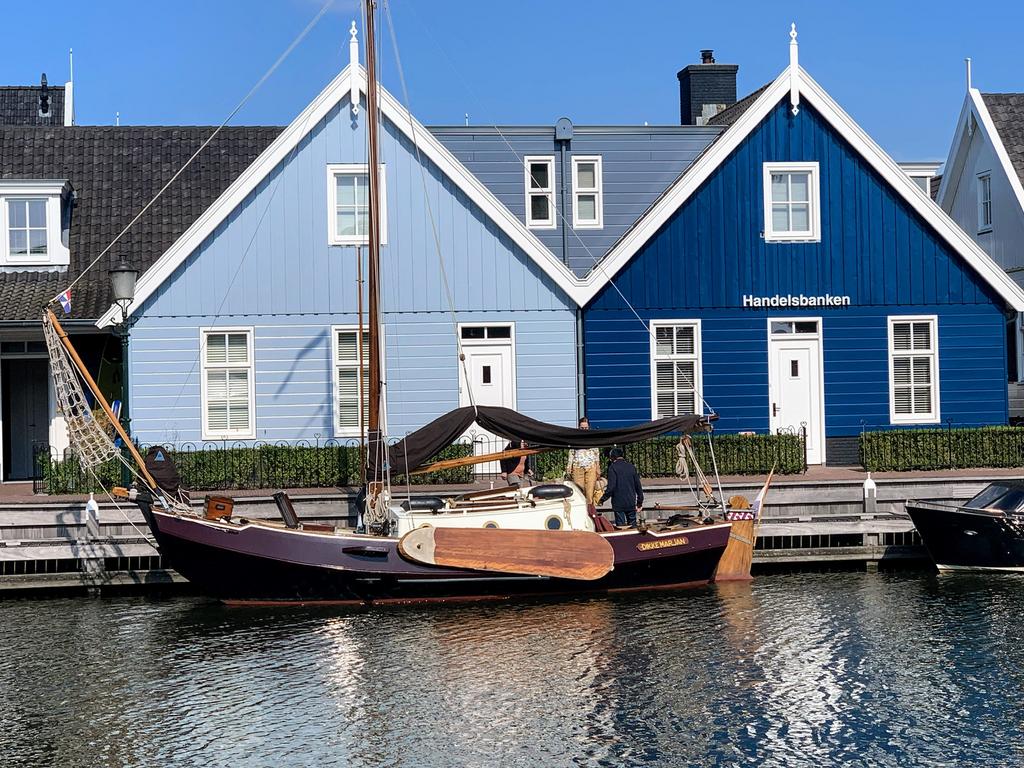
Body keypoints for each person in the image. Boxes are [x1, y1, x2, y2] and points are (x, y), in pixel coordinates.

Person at [599, 446, 643, 527]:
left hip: (618, 502)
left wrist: (602, 499)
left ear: (612, 458)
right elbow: (638, 486)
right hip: (630, 501)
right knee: (633, 526)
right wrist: (639, 502)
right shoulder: (631, 467)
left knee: (621, 527)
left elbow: (611, 487)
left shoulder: (613, 468)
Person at [567, 417, 601, 507]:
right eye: (582, 428)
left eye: (586, 428)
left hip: (591, 466)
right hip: (578, 466)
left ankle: (590, 510)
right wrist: (569, 467)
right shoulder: (575, 438)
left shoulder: (592, 438)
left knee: (590, 490)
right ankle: (581, 508)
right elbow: (571, 452)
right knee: (579, 490)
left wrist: (598, 467)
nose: (584, 430)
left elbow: (596, 453)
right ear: (579, 427)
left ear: (589, 427)